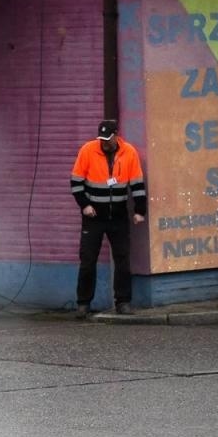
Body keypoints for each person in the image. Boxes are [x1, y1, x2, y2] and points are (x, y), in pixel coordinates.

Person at [70, 119, 146, 317]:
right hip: (94, 216)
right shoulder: (87, 150)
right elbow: (76, 183)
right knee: (87, 260)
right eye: (101, 138)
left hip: (118, 216)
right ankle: (83, 304)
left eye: (107, 138)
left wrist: (140, 211)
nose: (104, 142)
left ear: (116, 135)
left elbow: (137, 185)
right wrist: (85, 206)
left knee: (122, 259)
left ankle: (123, 302)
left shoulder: (129, 152)